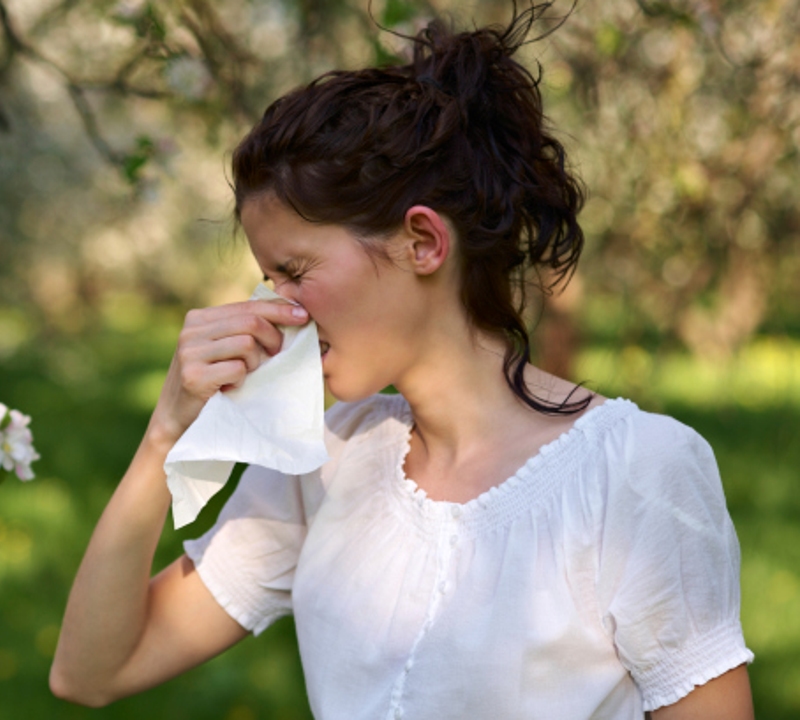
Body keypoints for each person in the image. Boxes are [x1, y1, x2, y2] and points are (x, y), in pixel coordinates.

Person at [49, 6, 755, 718]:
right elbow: (91, 673)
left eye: (294, 271)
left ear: (422, 241)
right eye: (268, 280)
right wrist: (166, 434)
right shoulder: (322, 461)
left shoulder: (633, 470)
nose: (274, 310)